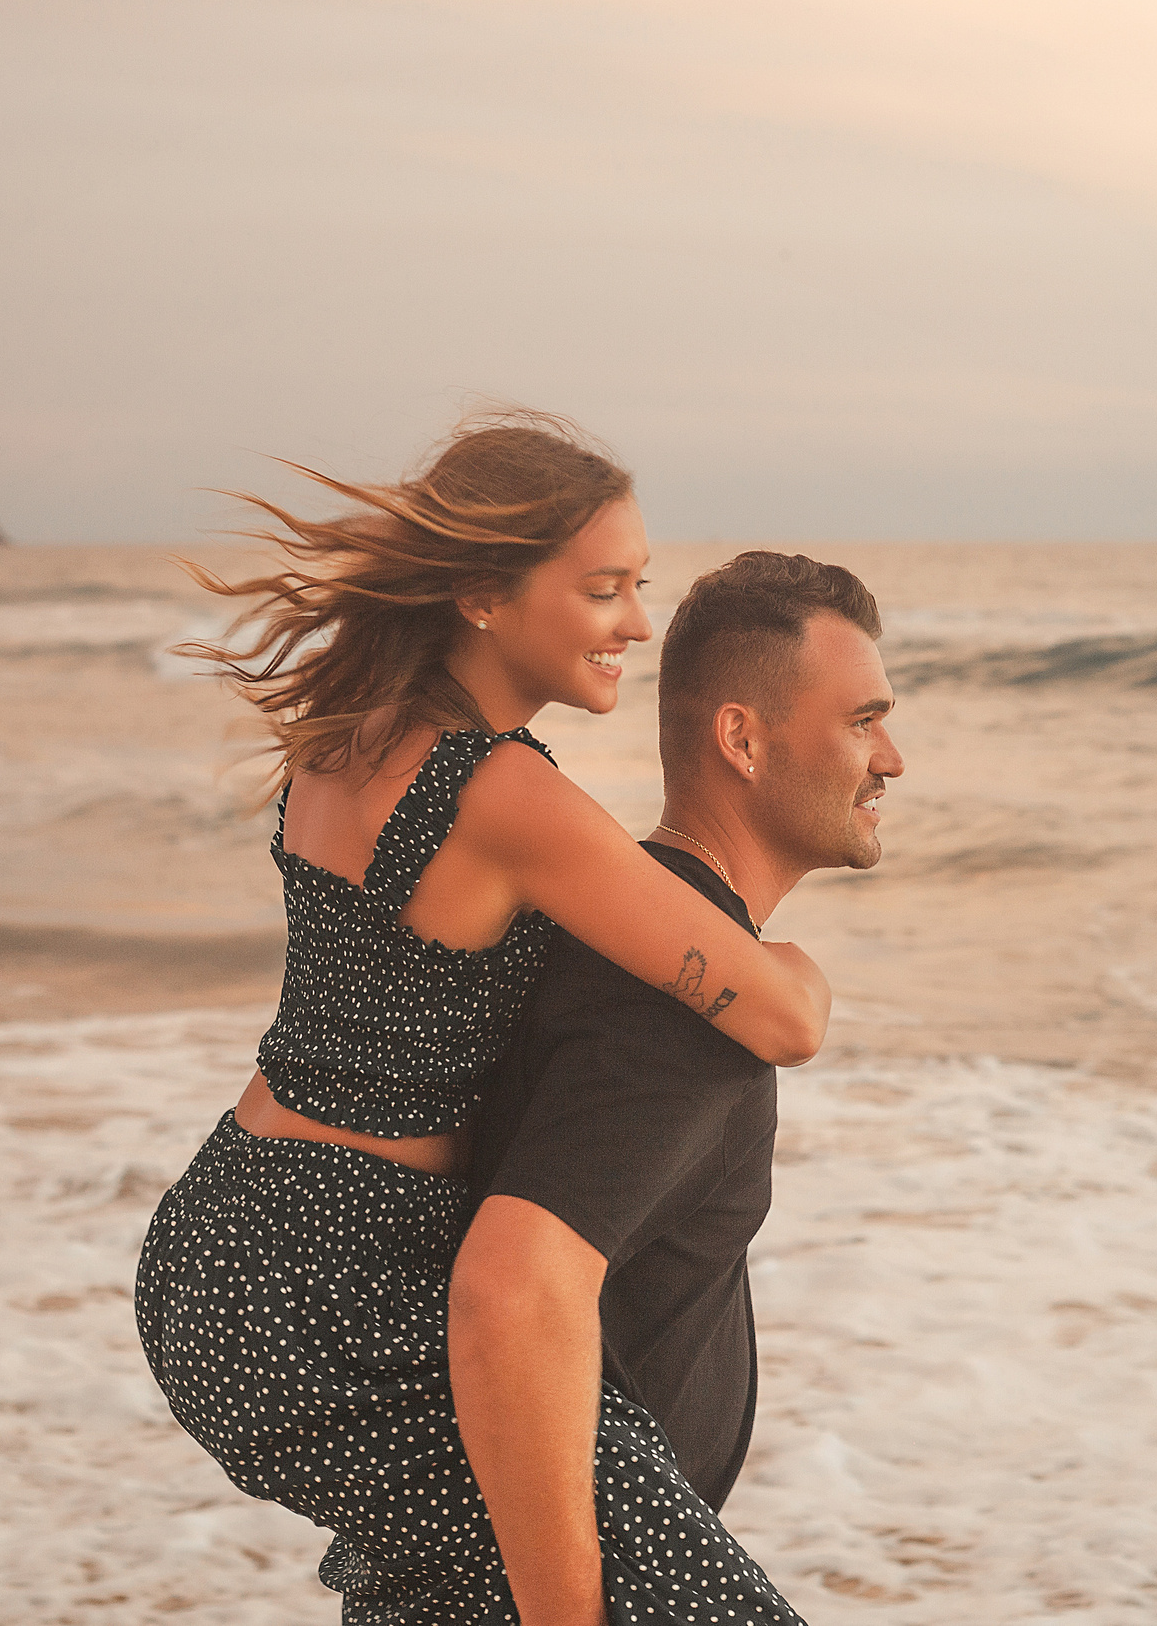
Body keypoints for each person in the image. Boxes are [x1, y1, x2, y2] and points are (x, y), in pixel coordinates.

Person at [133, 413, 834, 1624]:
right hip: (340, 1294)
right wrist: (802, 961)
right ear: (482, 595)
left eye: (640, 588)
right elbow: (777, 1018)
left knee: (460, 1599)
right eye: (603, 589)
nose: (633, 624)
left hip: (222, 1252)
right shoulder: (500, 792)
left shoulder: (342, 745)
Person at [446, 553, 901, 1626]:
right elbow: (511, 1286)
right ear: (740, 740)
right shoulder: (682, 1007)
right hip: (563, 1578)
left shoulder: (641, 942)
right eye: (863, 720)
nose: (891, 758)